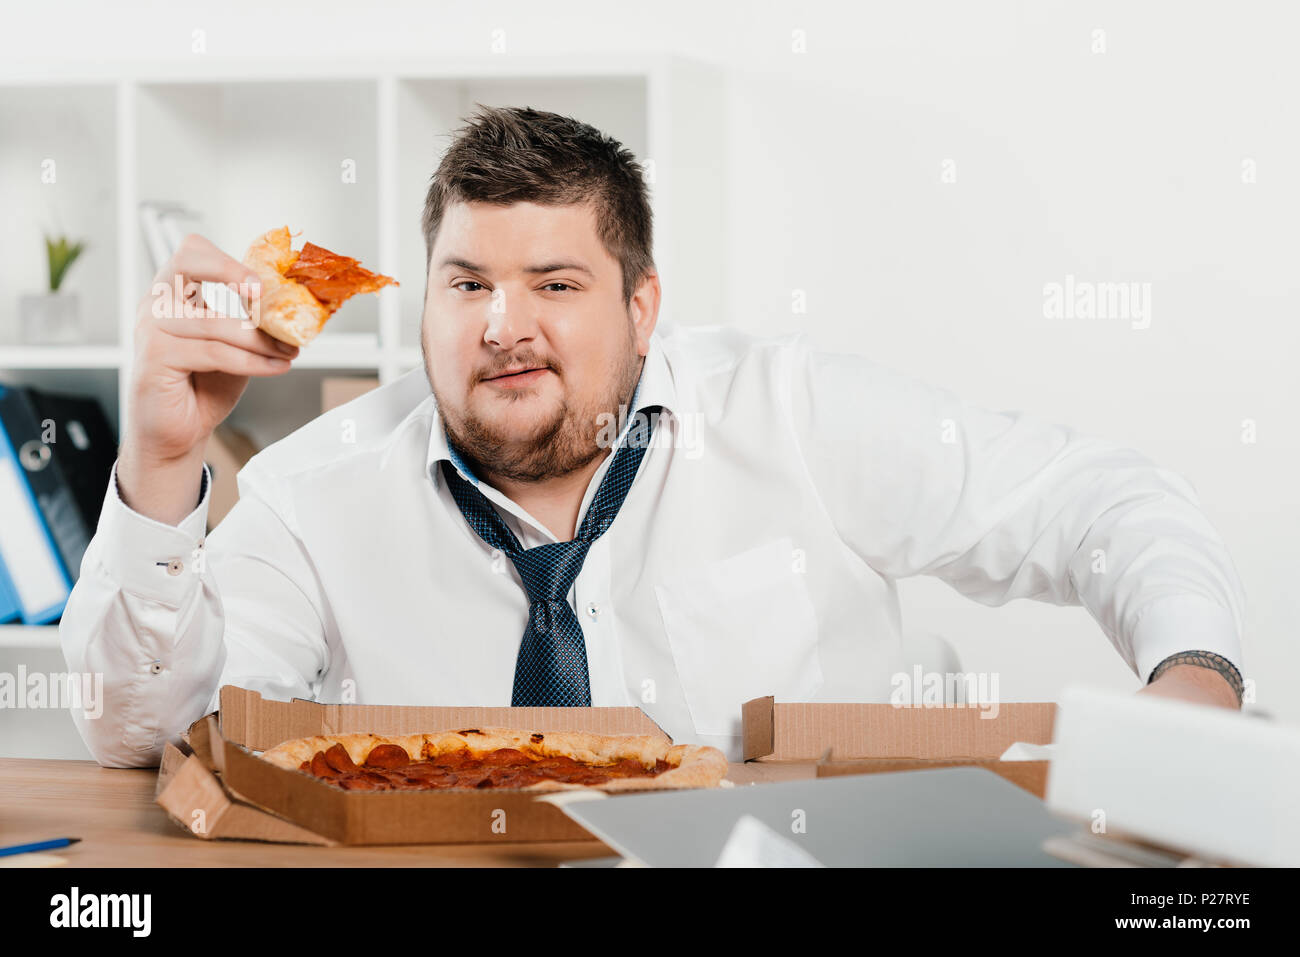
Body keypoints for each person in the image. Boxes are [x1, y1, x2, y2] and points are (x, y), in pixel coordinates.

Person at [61, 105, 1245, 768]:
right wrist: (164, 467)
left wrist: (1193, 677)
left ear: (641, 308)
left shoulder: (791, 413)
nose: (502, 328)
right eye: (464, 284)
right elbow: (137, 739)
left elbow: (1099, 503)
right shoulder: (311, 493)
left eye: (556, 285)